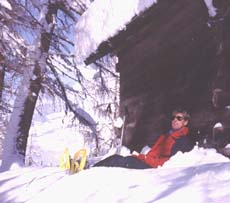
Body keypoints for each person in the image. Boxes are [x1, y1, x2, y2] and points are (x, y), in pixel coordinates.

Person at [93, 109, 194, 169]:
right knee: (116, 158)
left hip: (152, 167)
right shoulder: (167, 136)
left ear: (185, 122)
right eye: (173, 118)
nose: (175, 120)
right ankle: (90, 169)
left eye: (179, 118)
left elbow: (170, 162)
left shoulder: (182, 140)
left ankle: (90, 171)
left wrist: (145, 159)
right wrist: (143, 157)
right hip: (147, 162)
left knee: (117, 161)